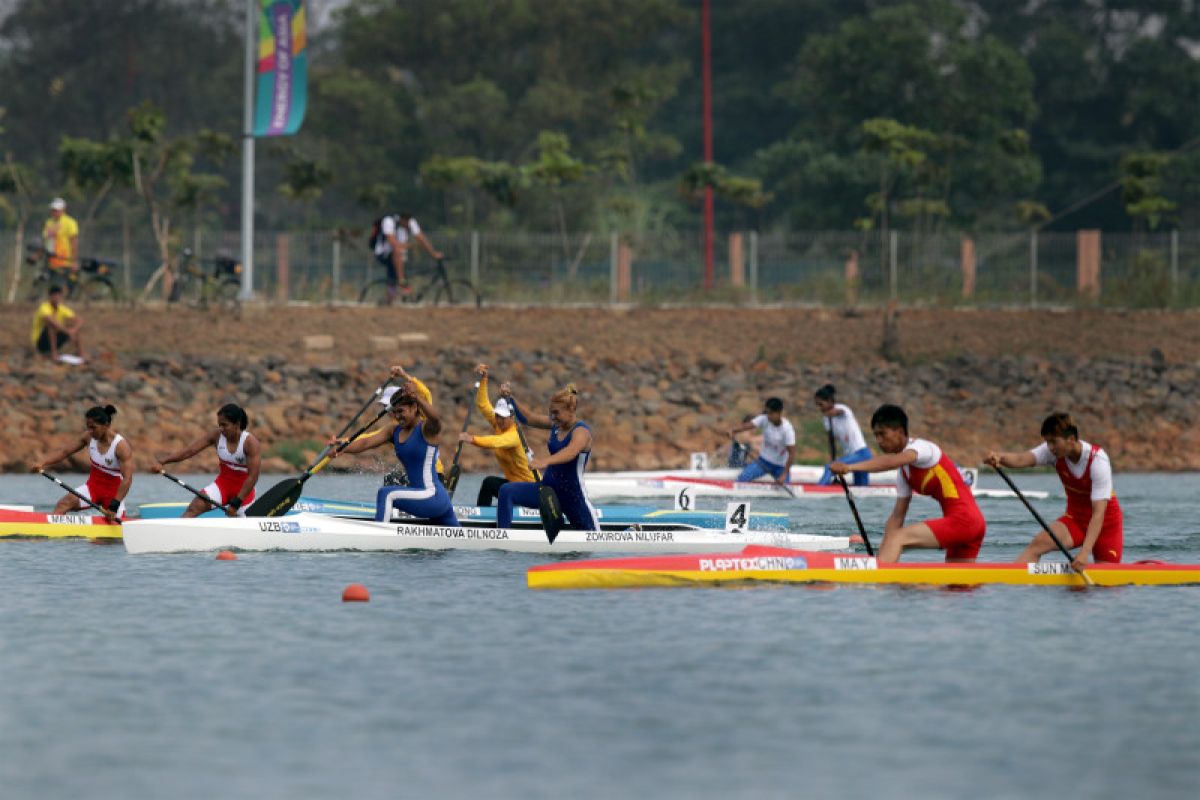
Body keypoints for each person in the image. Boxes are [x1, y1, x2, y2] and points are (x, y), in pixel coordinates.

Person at [831, 404, 985, 563]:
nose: (879, 440)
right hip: (970, 526)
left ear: (900, 431)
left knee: (898, 537)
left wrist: (848, 467)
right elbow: (898, 516)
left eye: (882, 434)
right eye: (876, 435)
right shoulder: (904, 472)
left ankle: (878, 584)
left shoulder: (923, 449)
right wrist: (882, 553)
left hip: (963, 522)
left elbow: (890, 462)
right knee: (957, 586)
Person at [984, 412, 1123, 568]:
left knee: (1105, 587)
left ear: (1070, 440)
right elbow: (1022, 459)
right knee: (1038, 544)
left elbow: (1098, 514)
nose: (1050, 448)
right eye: (1047, 442)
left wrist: (1084, 553)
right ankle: (1010, 583)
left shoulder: (1098, 461)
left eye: (1053, 442)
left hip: (1105, 524)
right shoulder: (1053, 452)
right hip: (1076, 520)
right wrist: (999, 457)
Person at [331, 380, 459, 526]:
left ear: (414, 407)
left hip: (432, 496)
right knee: (459, 541)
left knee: (386, 494)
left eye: (401, 411)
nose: (397, 416)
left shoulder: (427, 429)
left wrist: (416, 396)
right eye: (395, 412)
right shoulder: (394, 431)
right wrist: (341, 448)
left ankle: (379, 536)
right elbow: (366, 443)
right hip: (432, 499)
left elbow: (436, 419)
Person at [497, 384, 599, 531]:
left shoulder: (582, 432)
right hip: (548, 492)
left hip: (573, 498)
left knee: (592, 538)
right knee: (506, 491)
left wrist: (544, 461)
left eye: (556, 413)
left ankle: (633, 530)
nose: (552, 417)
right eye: (551, 413)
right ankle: (502, 536)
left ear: (571, 410)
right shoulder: (556, 425)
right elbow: (529, 418)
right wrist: (509, 399)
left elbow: (571, 452)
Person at [153, 404, 262, 518]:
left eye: (225, 425)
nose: (221, 429)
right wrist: (162, 461)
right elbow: (189, 451)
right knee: (194, 508)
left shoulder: (250, 443)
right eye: (219, 425)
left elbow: (253, 477)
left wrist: (237, 502)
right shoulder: (217, 435)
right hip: (222, 487)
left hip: (243, 493)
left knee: (242, 525)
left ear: (237, 424)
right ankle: (176, 534)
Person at [30, 404, 132, 521]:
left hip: (113, 494)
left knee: (112, 524)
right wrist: (42, 462)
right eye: (88, 427)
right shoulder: (88, 437)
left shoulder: (121, 446)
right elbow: (65, 452)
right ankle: (53, 534)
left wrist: (114, 506)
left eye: (93, 427)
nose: (90, 431)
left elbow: (127, 479)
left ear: (106, 425)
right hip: (92, 488)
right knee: (63, 504)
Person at [461, 363, 535, 506]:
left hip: (530, 488)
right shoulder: (498, 423)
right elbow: (483, 405)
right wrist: (484, 379)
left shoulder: (514, 435)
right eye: (497, 416)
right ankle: (481, 517)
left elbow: (496, 442)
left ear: (512, 418)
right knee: (489, 483)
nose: (499, 420)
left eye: (503, 417)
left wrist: (472, 439)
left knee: (505, 488)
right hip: (513, 485)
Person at [371, 212, 444, 304]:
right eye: (406, 223)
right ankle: (401, 282)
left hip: (399, 256)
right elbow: (394, 244)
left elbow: (421, 238)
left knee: (393, 276)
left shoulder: (411, 222)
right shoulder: (389, 221)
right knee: (397, 254)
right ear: (401, 219)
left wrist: (434, 253)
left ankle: (391, 298)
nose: (407, 226)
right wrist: (412, 245)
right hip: (383, 253)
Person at [814, 384, 873, 486]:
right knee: (861, 489)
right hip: (852, 456)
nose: (820, 408)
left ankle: (816, 491)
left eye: (821, 404)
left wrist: (830, 413)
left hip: (862, 454)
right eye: (817, 405)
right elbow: (831, 442)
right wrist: (833, 461)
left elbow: (838, 412)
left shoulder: (843, 409)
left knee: (828, 468)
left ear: (829, 401)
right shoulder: (826, 420)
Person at [728, 397, 795, 485]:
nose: (768, 416)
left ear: (779, 412)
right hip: (763, 462)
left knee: (785, 490)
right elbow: (747, 426)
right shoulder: (764, 419)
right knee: (741, 479)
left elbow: (792, 454)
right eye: (767, 413)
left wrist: (784, 475)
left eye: (771, 413)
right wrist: (733, 430)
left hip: (781, 466)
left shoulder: (787, 430)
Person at [30, 285, 85, 362]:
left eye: (59, 296)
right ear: (50, 297)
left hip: (57, 338)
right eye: (54, 296)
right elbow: (51, 321)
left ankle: (81, 354)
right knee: (52, 326)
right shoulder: (44, 307)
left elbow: (80, 320)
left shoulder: (62, 308)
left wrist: (74, 330)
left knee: (73, 327)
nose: (57, 298)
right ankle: (54, 354)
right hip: (41, 342)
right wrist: (68, 332)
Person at [43, 197, 79, 274]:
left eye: (57, 210)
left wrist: (74, 262)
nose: (54, 212)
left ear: (63, 210)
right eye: (53, 210)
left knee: (62, 284)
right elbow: (45, 240)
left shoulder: (70, 222)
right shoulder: (48, 222)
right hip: (50, 262)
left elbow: (74, 243)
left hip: (65, 262)